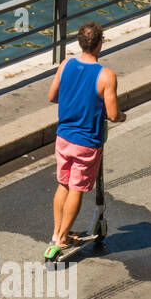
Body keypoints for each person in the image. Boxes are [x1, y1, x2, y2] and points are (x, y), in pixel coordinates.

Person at [47, 21, 124, 250]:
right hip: (87, 142)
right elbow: (112, 113)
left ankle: (57, 232)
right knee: (77, 189)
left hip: (63, 138)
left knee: (63, 184)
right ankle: (61, 239)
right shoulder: (106, 76)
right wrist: (122, 117)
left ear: (80, 42)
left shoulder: (65, 65)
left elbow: (52, 96)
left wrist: (74, 101)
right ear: (100, 44)